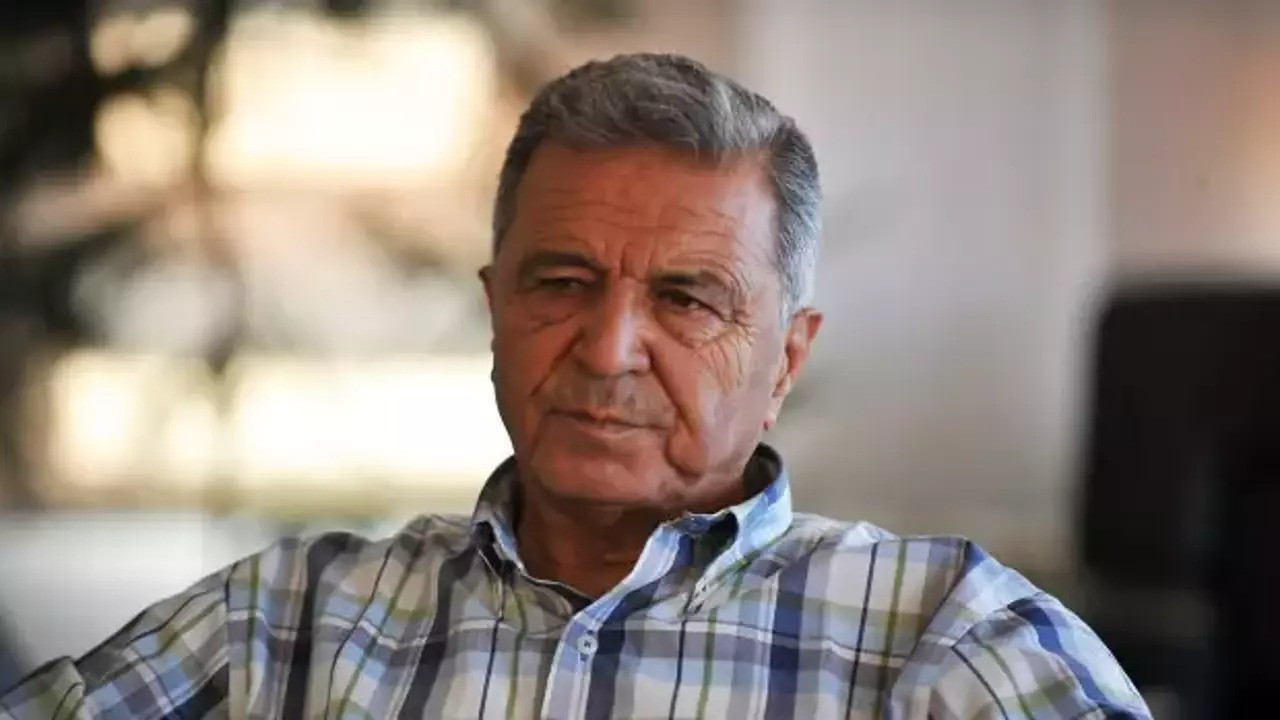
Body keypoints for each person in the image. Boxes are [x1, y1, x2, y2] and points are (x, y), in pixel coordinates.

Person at [0, 53, 1150, 719]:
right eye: (561, 282)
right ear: (495, 308)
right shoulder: (283, 627)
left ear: (785, 360)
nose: (606, 351)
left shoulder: (948, 641)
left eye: (686, 299)